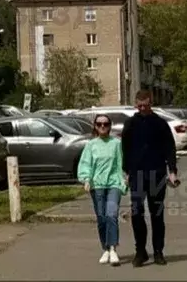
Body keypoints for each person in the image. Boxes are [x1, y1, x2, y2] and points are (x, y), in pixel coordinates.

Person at [121, 89, 178, 267]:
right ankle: (140, 251)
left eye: (145, 105)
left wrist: (172, 170)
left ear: (151, 103)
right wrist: (126, 171)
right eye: (139, 106)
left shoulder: (160, 123)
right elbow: (125, 148)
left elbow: (169, 147)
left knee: (157, 214)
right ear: (136, 105)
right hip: (137, 174)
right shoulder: (131, 123)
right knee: (137, 212)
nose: (142, 109)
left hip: (157, 173)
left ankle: (158, 251)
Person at [77, 113, 127, 266]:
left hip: (113, 184)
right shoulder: (91, 145)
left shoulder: (116, 143)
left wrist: (125, 178)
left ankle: (113, 249)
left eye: (105, 124)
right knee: (101, 217)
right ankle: (105, 248)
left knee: (111, 215)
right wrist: (86, 178)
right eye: (99, 124)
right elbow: (85, 163)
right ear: (95, 126)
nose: (102, 126)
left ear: (110, 126)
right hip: (97, 185)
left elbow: (121, 162)